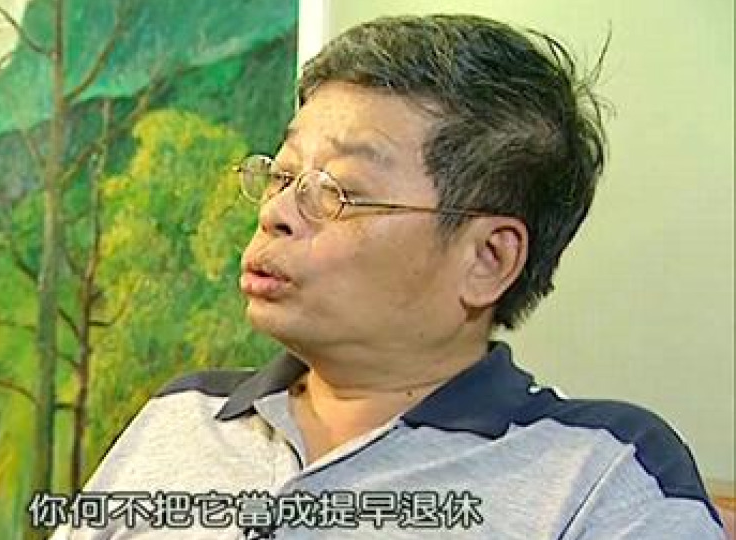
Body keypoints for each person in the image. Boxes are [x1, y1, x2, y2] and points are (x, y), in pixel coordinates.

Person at [50, 14, 726, 539]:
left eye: (337, 191)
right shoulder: (183, 417)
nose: (276, 213)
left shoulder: (603, 478)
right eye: (282, 175)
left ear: (487, 259)